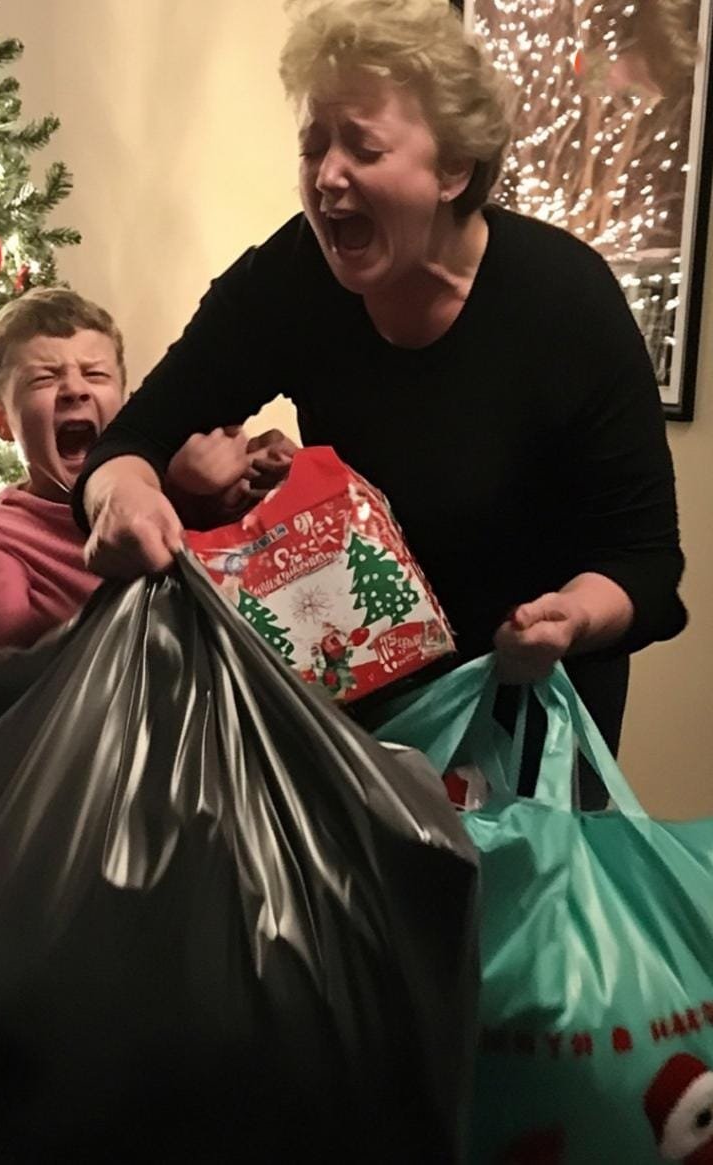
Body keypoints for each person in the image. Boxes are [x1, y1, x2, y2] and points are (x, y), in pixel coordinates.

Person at [74, 0, 686, 798]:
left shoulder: (567, 303)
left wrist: (569, 618)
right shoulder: (290, 282)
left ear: (453, 171)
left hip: (535, 736)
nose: (327, 176)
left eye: (362, 147)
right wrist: (120, 494)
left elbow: (641, 561)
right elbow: (129, 444)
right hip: (368, 731)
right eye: (313, 145)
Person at [0, 286, 295, 658]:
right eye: (44, 379)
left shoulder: (182, 471)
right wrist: (180, 496)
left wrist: (272, 486)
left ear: (129, 404)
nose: (74, 389)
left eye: (95, 374)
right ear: (1, 422)